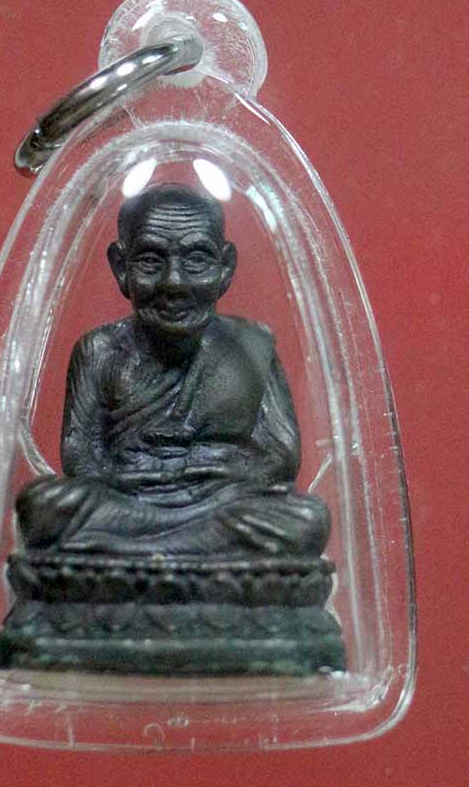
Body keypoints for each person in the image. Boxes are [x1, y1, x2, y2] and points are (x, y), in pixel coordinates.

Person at [16, 183, 330, 558]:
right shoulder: (99, 350)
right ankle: (182, 550)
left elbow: (281, 458)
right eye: (151, 261)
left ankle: (142, 553)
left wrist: (209, 475)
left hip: (222, 503)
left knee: (307, 518)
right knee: (43, 506)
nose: (174, 282)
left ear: (225, 268)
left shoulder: (251, 347)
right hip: (129, 504)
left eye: (196, 260)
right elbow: (80, 455)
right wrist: (138, 479)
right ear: (120, 267)